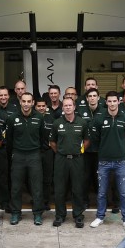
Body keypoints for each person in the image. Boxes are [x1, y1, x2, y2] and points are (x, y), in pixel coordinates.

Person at [89, 91, 125, 229]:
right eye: (110, 101)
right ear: (106, 102)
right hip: (104, 161)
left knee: (124, 193)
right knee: (102, 192)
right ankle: (100, 217)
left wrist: (121, 151)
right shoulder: (99, 118)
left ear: (118, 102)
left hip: (121, 161)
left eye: (115, 101)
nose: (112, 104)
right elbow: (95, 138)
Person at [6, 92, 46, 225]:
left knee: (36, 186)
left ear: (33, 103)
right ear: (20, 102)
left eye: (29, 101)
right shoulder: (12, 118)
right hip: (18, 155)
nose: (26, 104)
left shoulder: (39, 118)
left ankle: (38, 214)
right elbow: (9, 139)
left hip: (34, 155)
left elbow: (42, 138)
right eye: (24, 101)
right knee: (16, 187)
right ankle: (16, 213)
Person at [51, 96, 90, 228]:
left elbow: (86, 141)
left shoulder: (82, 122)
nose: (67, 107)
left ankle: (78, 215)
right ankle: (60, 215)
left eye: (70, 105)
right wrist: (62, 152)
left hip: (77, 159)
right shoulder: (57, 123)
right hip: (61, 159)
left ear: (74, 107)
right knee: (59, 189)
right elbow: (52, 142)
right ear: (63, 108)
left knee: (77, 188)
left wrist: (78, 151)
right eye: (65, 105)